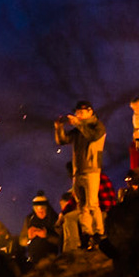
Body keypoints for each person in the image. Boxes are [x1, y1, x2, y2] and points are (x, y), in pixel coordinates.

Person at [55, 101, 107, 250]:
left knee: (92, 204)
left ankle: (99, 234)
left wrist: (78, 123)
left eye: (81, 112)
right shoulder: (79, 129)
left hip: (92, 169)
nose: (78, 115)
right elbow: (63, 140)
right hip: (78, 171)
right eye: (77, 112)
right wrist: (59, 128)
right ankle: (87, 235)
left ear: (90, 112)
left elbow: (92, 136)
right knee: (82, 206)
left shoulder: (97, 126)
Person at [18, 192, 60, 268]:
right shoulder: (30, 219)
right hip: (34, 262)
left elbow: (61, 240)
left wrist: (47, 235)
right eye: (37, 210)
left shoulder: (54, 219)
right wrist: (28, 237)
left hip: (51, 261)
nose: (40, 212)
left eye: (43, 209)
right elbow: (22, 241)